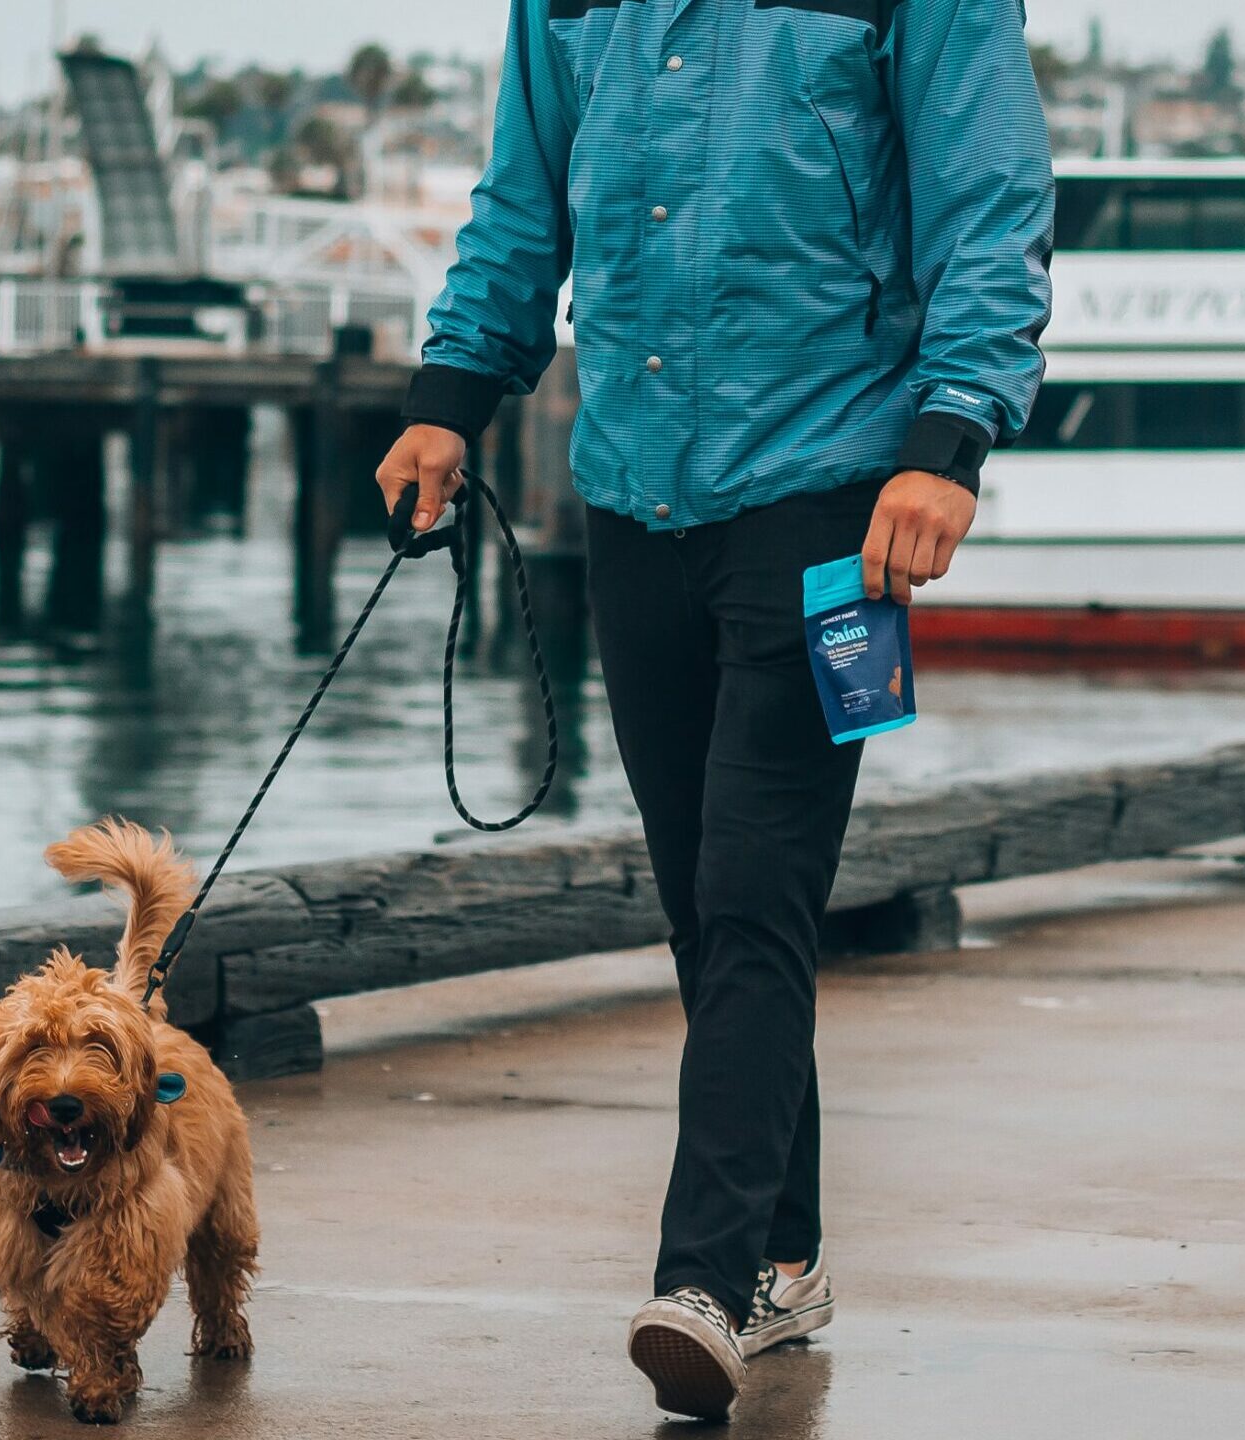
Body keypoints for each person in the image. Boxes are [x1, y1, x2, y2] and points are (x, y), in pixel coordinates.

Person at [376, 0, 1053, 1421]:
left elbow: (991, 205)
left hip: (835, 502)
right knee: (706, 896)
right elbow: (522, 203)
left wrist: (953, 440)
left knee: (757, 890)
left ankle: (706, 1281)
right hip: (633, 495)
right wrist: (454, 388)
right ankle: (790, 1258)